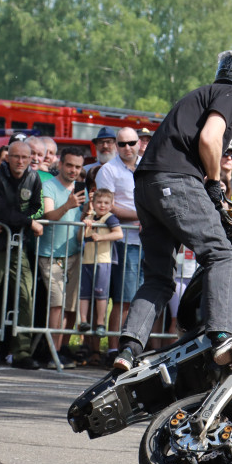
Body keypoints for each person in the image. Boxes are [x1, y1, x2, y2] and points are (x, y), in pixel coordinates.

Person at [114, 50, 232, 371]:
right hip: (175, 179)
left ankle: (128, 348)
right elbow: (209, 138)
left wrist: (210, 195)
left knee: (160, 278)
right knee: (223, 255)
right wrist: (215, 181)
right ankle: (222, 335)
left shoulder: (202, 95)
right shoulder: (231, 93)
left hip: (147, 185)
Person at [0, 140, 44, 369]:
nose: (21, 161)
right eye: (16, 157)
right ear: (7, 157)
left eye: (25, 157)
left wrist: (13, 221)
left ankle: (22, 351)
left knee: (25, 296)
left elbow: (37, 208)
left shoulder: (34, 179)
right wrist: (25, 222)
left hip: (18, 246)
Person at [38, 147, 86, 367]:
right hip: (50, 255)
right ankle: (52, 352)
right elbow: (49, 215)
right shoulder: (48, 185)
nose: (73, 170)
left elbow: (83, 216)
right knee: (56, 305)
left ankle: (63, 348)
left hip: (74, 253)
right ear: (60, 164)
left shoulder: (81, 189)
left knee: (71, 305)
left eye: (77, 166)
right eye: (69, 165)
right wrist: (68, 204)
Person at [97, 126, 142, 357]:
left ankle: (135, 348)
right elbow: (107, 205)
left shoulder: (147, 165)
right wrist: (142, 215)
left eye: (131, 143)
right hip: (124, 241)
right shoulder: (108, 170)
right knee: (124, 299)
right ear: (116, 145)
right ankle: (114, 349)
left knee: (143, 300)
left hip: (148, 241)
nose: (127, 148)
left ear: (139, 143)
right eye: (122, 144)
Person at [79, 188, 123, 363]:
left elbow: (118, 233)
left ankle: (100, 323)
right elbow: (79, 237)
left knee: (101, 294)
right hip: (87, 261)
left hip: (103, 260)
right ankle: (83, 321)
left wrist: (101, 237)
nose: (102, 206)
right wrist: (87, 226)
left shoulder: (110, 218)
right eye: (99, 202)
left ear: (111, 205)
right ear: (93, 204)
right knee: (84, 294)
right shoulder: (90, 218)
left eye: (106, 203)